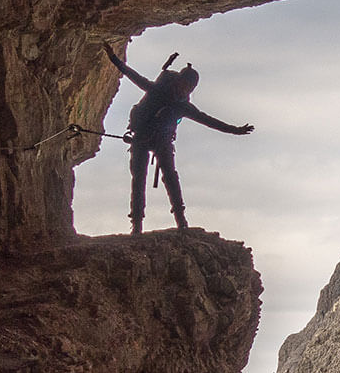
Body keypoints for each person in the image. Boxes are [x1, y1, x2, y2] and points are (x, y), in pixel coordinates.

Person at [104, 45, 253, 233]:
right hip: (141, 136)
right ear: (179, 80)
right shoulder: (159, 90)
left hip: (162, 141)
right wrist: (114, 59)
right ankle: (137, 224)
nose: (185, 90)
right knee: (139, 178)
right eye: (185, 85)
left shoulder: (184, 106)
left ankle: (181, 221)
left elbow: (208, 120)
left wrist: (236, 130)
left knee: (171, 177)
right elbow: (135, 77)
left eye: (190, 88)